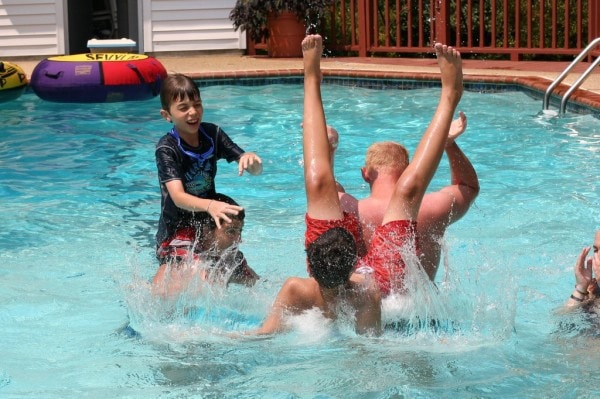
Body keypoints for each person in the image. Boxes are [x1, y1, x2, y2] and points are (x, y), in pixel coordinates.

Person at [252, 34, 464, 335]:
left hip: (332, 269)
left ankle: (311, 78)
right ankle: (449, 95)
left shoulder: (297, 288)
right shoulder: (370, 294)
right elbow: (369, 352)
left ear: (308, 260)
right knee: (408, 191)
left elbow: (260, 336)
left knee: (318, 182)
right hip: (383, 280)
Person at [338, 111, 479, 280]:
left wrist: (329, 148)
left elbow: (322, 190)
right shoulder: (430, 208)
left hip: (364, 303)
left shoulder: (349, 210)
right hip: (418, 304)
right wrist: (448, 144)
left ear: (365, 174)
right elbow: (468, 186)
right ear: (407, 173)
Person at [154, 73, 263, 268]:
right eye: (183, 108)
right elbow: (178, 197)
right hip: (176, 229)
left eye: (197, 104)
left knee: (237, 267)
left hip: (206, 223)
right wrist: (211, 205)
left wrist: (251, 160)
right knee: (198, 269)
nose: (193, 112)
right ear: (167, 115)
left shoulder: (212, 134)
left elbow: (254, 170)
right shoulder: (167, 148)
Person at [153, 193, 259, 299]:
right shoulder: (181, 254)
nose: (239, 240)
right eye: (231, 231)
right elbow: (158, 294)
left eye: (240, 231)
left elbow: (259, 284)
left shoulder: (231, 255)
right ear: (207, 230)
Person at [566, 230, 600, 307]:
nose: (598, 255)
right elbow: (563, 317)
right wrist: (580, 288)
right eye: (596, 250)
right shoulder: (592, 287)